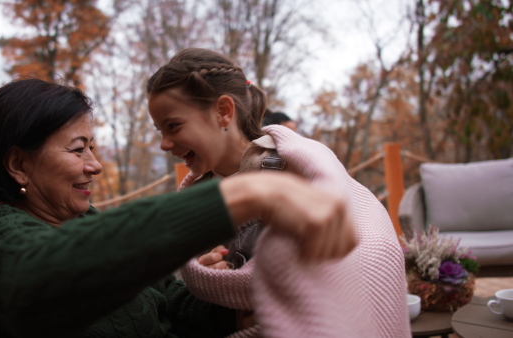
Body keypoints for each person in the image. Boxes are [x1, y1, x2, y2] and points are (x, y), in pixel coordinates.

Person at [0, 78, 356, 338]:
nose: (94, 165)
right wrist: (241, 196)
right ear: (18, 164)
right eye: (78, 150)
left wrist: (226, 312)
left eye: (92, 148)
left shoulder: (86, 221)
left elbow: (169, 306)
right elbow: (32, 285)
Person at [147, 48, 410, 337]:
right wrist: (210, 271)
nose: (164, 144)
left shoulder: (292, 164)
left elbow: (358, 240)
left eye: (173, 126)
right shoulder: (197, 196)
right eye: (160, 130)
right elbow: (202, 295)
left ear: (223, 111)